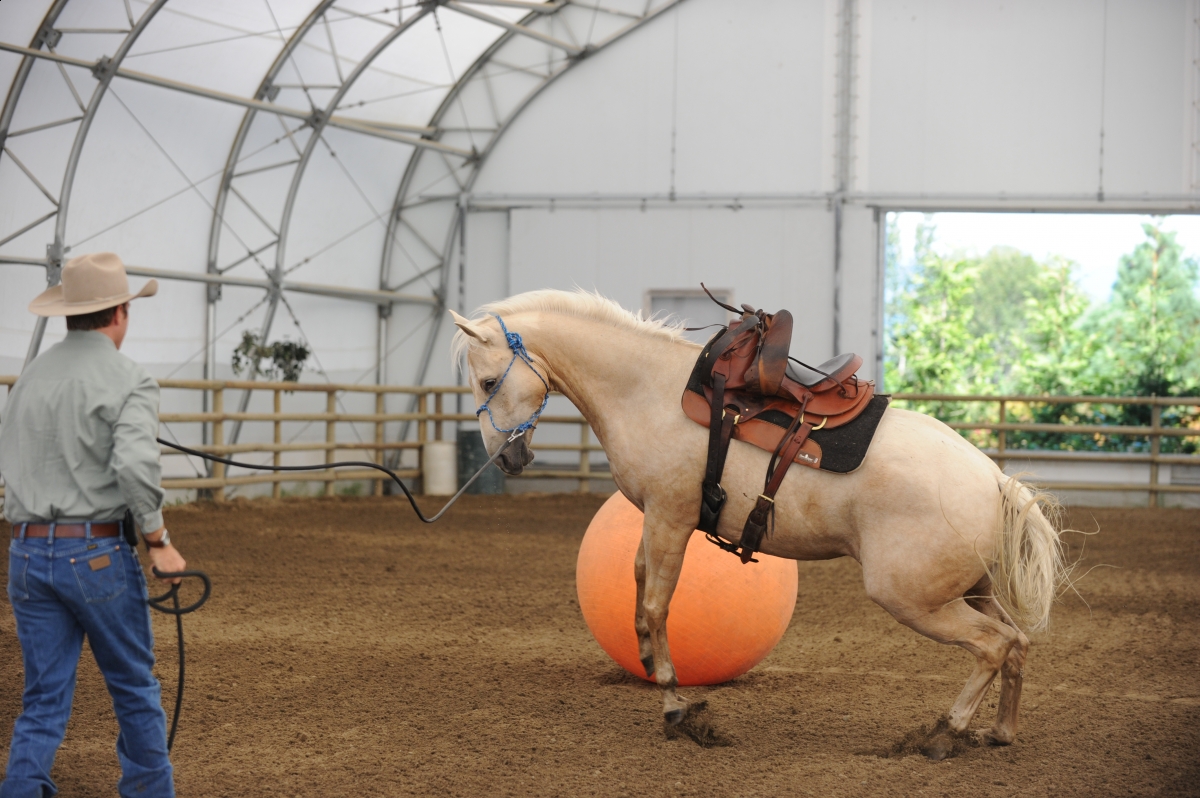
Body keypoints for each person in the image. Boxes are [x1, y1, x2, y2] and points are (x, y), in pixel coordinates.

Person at [0, 252, 188, 798]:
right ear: (120, 312)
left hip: (26, 554)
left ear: (69, 313)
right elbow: (134, 465)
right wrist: (158, 540)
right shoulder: (129, 378)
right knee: (133, 687)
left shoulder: (29, 378)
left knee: (43, 697)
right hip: (95, 555)